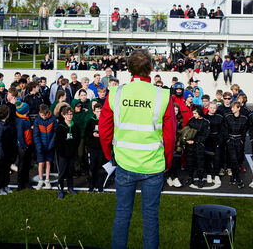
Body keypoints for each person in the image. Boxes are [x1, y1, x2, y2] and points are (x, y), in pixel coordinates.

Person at [99, 50, 175, 249]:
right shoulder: (163, 95)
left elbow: (105, 131)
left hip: (125, 163)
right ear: (151, 68)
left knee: (122, 215)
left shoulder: (116, 93)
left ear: (128, 68)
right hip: (154, 166)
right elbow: (170, 136)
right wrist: (167, 162)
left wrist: (110, 156)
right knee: (150, 218)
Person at [55, 106, 81, 199]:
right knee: (62, 173)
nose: (69, 116)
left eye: (71, 114)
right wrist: (62, 152)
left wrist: (73, 150)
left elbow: (77, 140)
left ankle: (70, 187)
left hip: (72, 154)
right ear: (63, 115)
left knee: (70, 172)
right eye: (67, 114)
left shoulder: (75, 126)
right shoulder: (60, 127)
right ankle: (60, 190)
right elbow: (57, 142)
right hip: (63, 155)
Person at [224, 101, 248, 188]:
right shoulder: (228, 117)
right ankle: (238, 179)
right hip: (230, 141)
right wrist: (228, 140)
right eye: (231, 107)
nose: (232, 109)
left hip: (239, 141)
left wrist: (242, 141)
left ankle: (233, 176)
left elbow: (244, 132)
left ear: (239, 108)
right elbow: (225, 130)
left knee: (237, 161)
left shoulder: (244, 118)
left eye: (234, 107)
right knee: (233, 159)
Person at [185, 106, 210, 188]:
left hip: (199, 146)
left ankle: (200, 179)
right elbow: (186, 131)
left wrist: (194, 141)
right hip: (190, 146)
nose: (194, 115)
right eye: (193, 113)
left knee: (200, 163)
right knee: (190, 162)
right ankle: (190, 177)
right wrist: (186, 139)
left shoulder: (206, 122)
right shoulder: (191, 120)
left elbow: (205, 136)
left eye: (195, 113)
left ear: (200, 112)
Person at [33, 104, 57, 190]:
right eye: (42, 115)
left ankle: (47, 180)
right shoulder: (37, 120)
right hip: (41, 146)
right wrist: (39, 147)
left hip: (50, 146)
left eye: (45, 115)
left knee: (48, 162)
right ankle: (40, 180)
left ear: (48, 113)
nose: (44, 117)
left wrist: (51, 145)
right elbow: (36, 135)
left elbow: (55, 133)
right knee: (41, 163)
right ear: (40, 113)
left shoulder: (53, 119)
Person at [0, 105, 14, 196]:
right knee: (0, 171)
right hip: (1, 153)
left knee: (6, 170)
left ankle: (5, 185)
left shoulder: (7, 123)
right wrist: (1, 155)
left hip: (8, 151)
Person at [85, 103, 106, 192]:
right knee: (92, 166)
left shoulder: (105, 120)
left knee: (100, 167)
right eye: (97, 111)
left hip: (101, 148)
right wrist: (92, 134)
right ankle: (91, 185)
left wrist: (102, 134)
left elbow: (108, 132)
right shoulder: (91, 121)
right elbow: (86, 133)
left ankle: (99, 185)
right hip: (92, 148)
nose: (99, 113)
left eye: (101, 111)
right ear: (94, 112)